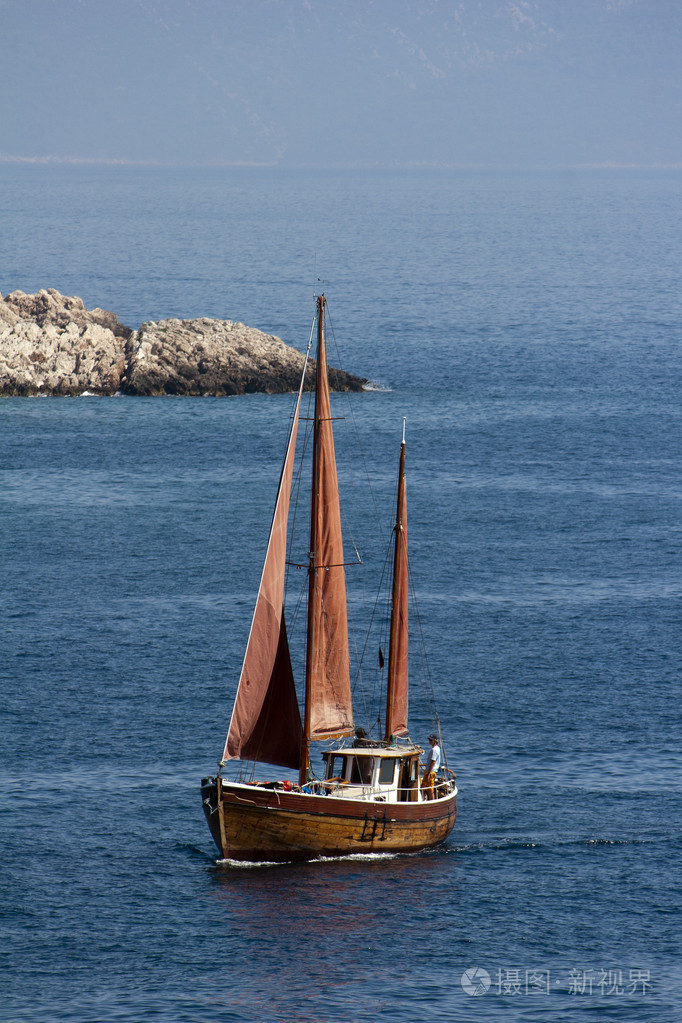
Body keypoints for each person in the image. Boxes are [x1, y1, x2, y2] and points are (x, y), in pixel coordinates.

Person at [421, 732, 441, 800]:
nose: (429, 741)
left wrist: (429, 773)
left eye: (431, 740)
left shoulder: (434, 750)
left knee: (429, 788)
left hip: (431, 771)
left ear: (435, 741)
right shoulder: (437, 748)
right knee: (426, 787)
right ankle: (427, 799)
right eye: (429, 740)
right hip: (432, 771)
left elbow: (433, 761)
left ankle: (431, 800)